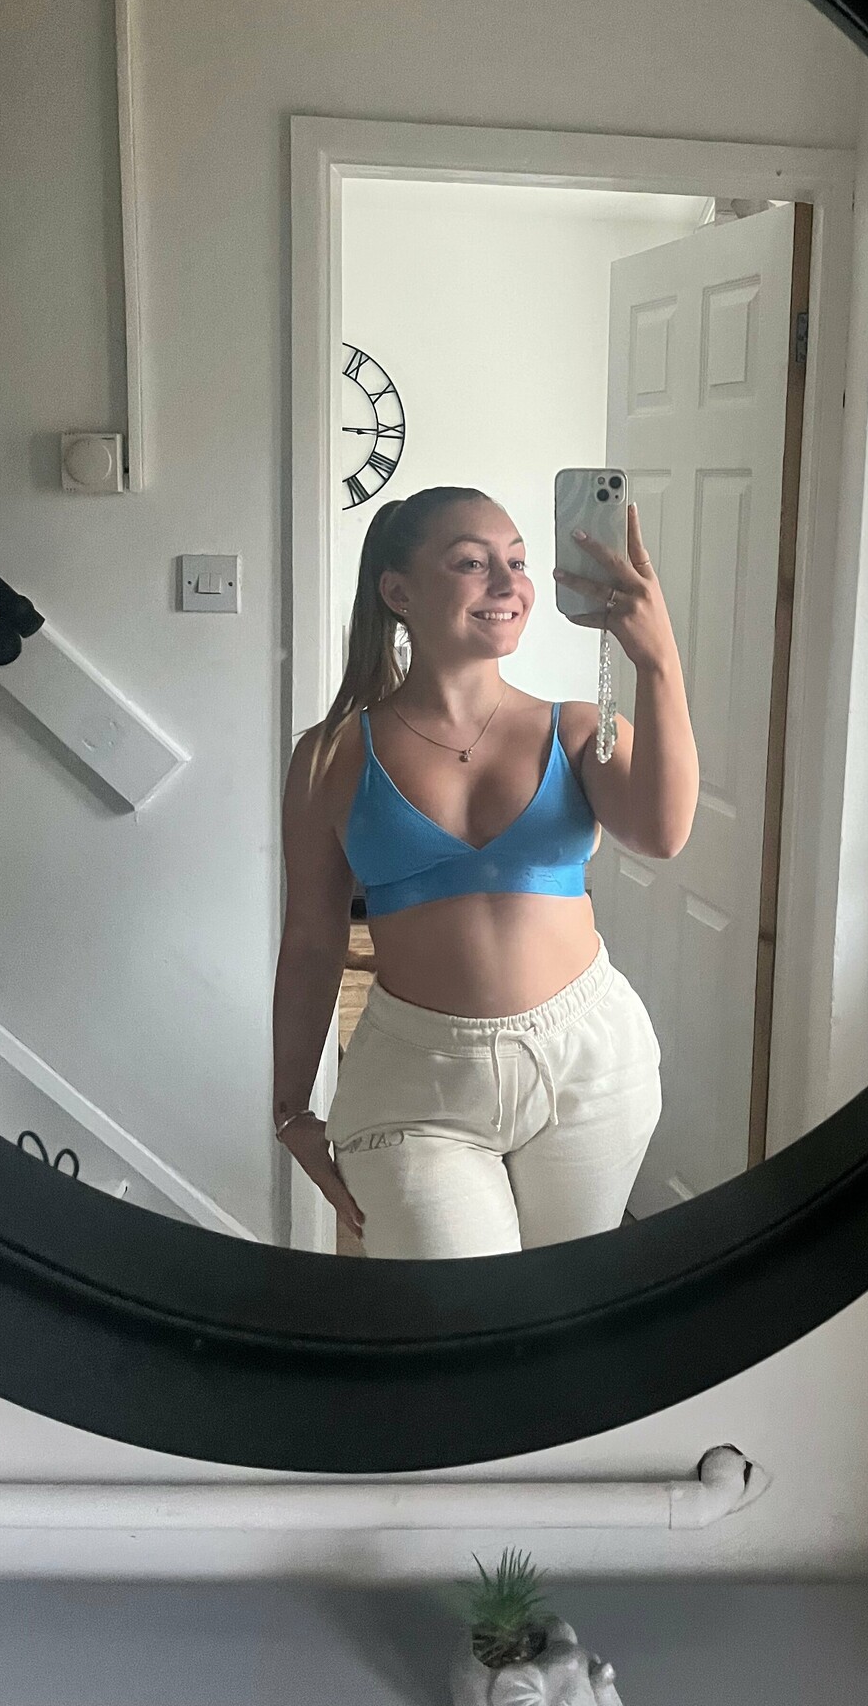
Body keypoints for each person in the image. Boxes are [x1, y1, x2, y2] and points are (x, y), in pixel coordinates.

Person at [272, 484, 698, 1259]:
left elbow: (663, 834)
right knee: (456, 1317)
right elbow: (310, 941)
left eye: (519, 563)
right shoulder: (329, 756)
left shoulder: (579, 730)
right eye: (472, 563)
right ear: (398, 592)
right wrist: (291, 1107)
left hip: (590, 1063)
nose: (508, 584)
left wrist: (659, 660)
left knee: (566, 1309)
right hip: (417, 1079)